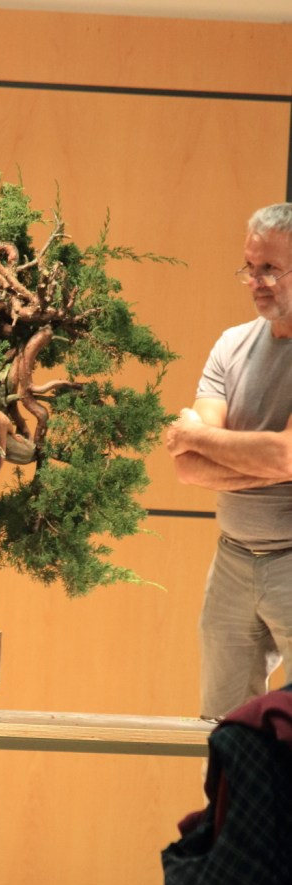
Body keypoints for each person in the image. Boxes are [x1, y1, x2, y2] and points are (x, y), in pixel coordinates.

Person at [166, 203, 292, 722]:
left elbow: (285, 453)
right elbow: (189, 466)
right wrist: (272, 462)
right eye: (250, 267)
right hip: (232, 563)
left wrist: (200, 435)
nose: (256, 282)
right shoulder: (230, 345)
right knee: (223, 732)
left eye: (270, 269)